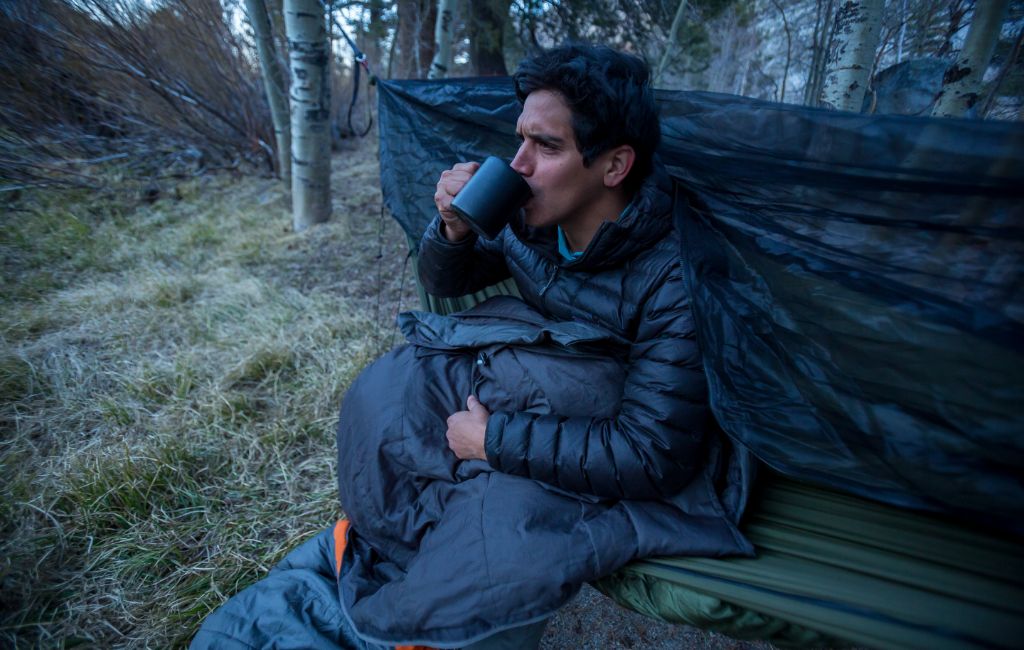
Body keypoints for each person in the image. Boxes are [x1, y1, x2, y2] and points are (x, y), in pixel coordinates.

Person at [416, 43, 719, 648]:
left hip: (636, 454)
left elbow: (654, 451)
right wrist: (451, 229)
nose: (518, 164)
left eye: (547, 147)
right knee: (404, 409)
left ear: (614, 166)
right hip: (553, 405)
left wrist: (494, 441)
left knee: (493, 534)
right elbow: (446, 285)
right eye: (519, 139)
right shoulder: (531, 219)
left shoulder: (673, 276)